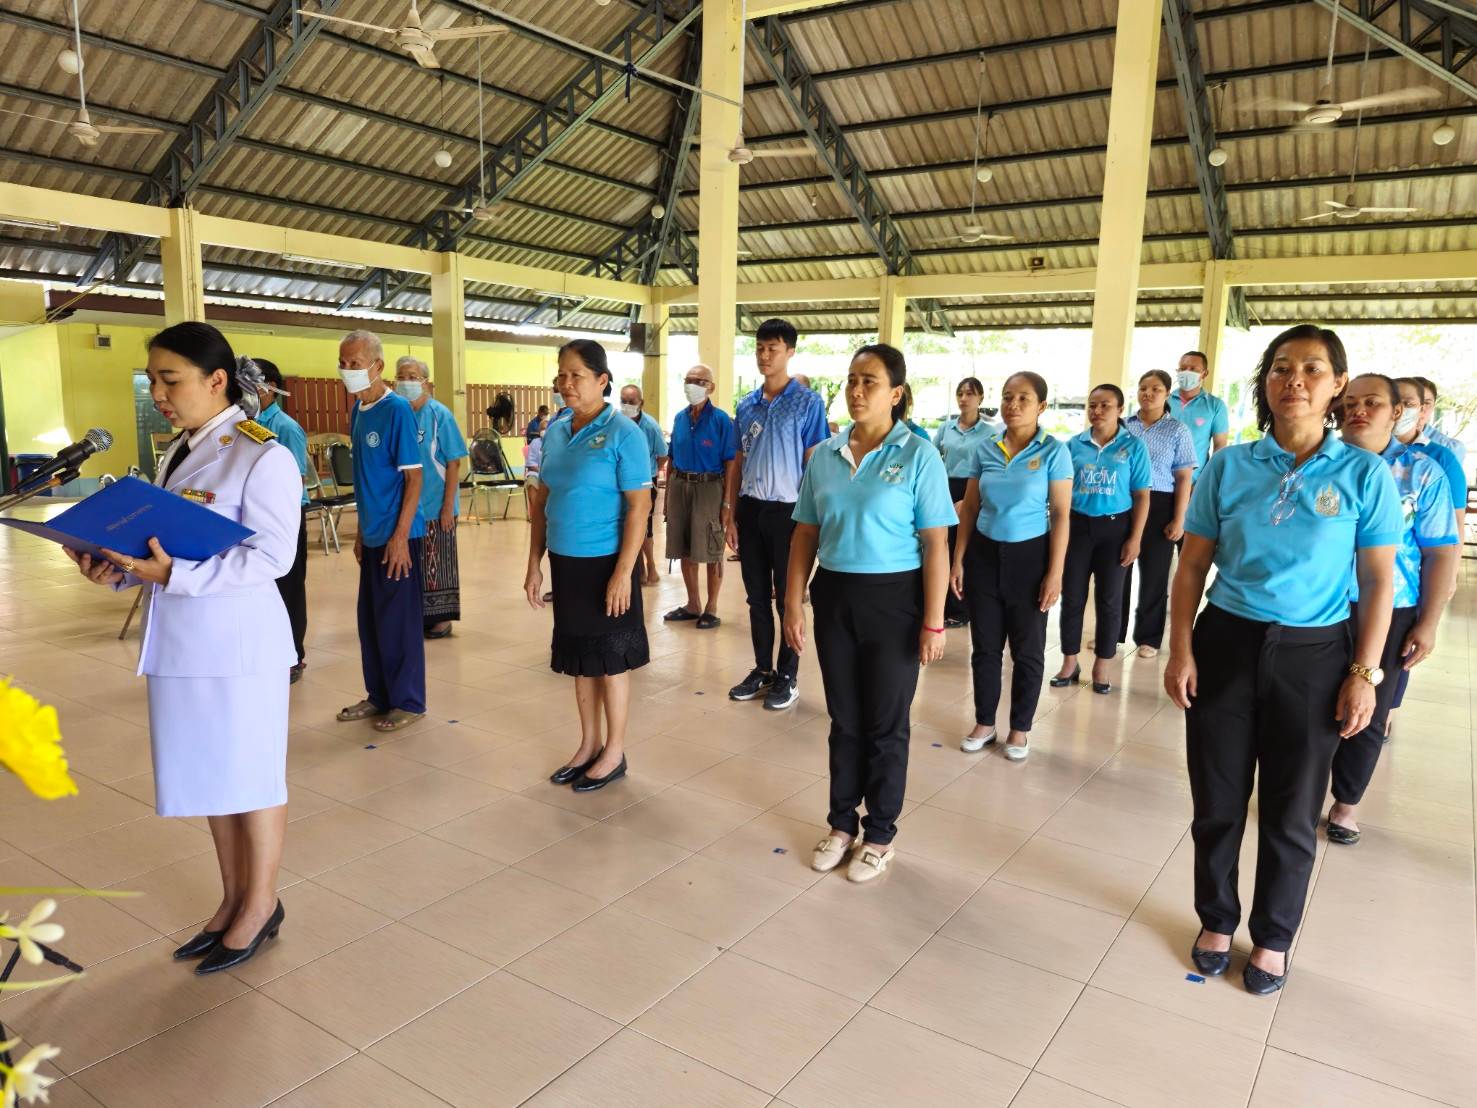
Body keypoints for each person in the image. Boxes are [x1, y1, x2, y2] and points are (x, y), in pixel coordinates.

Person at [1166, 323, 1400, 997]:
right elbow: (1190, 567)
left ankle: (1271, 937)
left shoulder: (1363, 474)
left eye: (1311, 369)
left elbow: (1380, 580)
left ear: (1334, 388)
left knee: (1293, 809)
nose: (1292, 378)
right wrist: (1180, 647)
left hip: (1315, 654)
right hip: (1226, 643)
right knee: (1216, 799)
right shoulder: (1227, 466)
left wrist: (1363, 672)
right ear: (1264, 384)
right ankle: (1215, 920)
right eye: (1279, 367)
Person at [66, 323, 298, 974]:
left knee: (250, 777)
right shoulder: (177, 453)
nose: (158, 393)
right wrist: (114, 569)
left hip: (238, 645)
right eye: (152, 381)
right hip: (183, 642)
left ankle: (262, 904)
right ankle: (232, 899)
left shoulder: (260, 454)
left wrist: (176, 576)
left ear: (215, 380)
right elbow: (160, 546)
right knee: (211, 776)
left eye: (170, 379)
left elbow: (274, 557)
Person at [785, 344, 954, 882]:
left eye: (870, 382)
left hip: (895, 599)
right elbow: (805, 533)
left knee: (885, 723)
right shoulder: (825, 455)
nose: (857, 391)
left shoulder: (918, 455)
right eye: (851, 380)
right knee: (845, 719)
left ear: (896, 394)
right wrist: (792, 600)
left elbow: (936, 543)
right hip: (835, 594)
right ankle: (841, 824)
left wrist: (934, 620)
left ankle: (880, 833)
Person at [1326, 374, 1458, 845]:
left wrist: (1428, 621)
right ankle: (1301, 792)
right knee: (1311, 702)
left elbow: (1441, 550)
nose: (1359, 410)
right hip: (1322, 603)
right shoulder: (1322, 463)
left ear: (1395, 412)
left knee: (1369, 706)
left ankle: (1346, 803)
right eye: (1351, 402)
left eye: (1373, 403)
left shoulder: (1421, 472)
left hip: (1392, 607)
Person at [525, 340, 652, 791]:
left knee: (610, 660)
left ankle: (613, 752)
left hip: (606, 564)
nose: (565, 383)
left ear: (602, 381)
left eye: (576, 375)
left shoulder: (624, 433)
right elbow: (543, 500)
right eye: (561, 375)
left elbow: (640, 506)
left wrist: (624, 572)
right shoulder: (555, 431)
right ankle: (588, 745)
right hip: (566, 561)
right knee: (580, 659)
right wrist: (534, 564)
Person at [951, 372, 1072, 762]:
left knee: (1028, 650)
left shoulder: (1054, 451)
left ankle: (1020, 728)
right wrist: (958, 560)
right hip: (984, 555)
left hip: (1030, 558)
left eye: (1023, 398)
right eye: (1007, 397)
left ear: (1041, 406)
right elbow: (970, 507)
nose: (1013, 405)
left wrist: (1054, 573)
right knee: (985, 646)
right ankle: (985, 722)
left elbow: (1061, 515)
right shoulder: (985, 449)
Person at [725, 318, 829, 711]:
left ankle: (788, 675)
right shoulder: (746, 405)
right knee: (755, 597)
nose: (765, 355)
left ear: (790, 352)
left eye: (773, 348)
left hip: (790, 512)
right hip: (752, 509)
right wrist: (731, 512)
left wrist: (811, 520)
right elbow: (739, 460)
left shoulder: (807, 402)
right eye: (760, 348)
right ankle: (762, 669)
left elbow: (814, 462)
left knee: (789, 598)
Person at [333, 330, 427, 734]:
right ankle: (378, 695)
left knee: (398, 621)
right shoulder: (358, 410)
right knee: (370, 621)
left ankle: (408, 700)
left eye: (355, 363)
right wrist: (358, 533)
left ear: (377, 366)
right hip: (372, 534)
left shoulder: (397, 411)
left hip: (398, 537)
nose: (347, 371)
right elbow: (365, 479)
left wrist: (400, 536)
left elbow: (415, 479)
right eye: (343, 363)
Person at [1051, 384, 1150, 695]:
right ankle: (1069, 662)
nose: (1097, 411)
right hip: (1078, 528)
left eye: (1105, 405)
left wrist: (1135, 538)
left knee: (1109, 600)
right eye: (1092, 405)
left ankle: (1102, 666)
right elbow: (1061, 491)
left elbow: (1142, 496)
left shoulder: (1134, 447)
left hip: (1115, 530)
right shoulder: (1072, 446)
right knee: (1073, 597)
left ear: (1120, 410)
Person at [1120, 370, 1197, 657]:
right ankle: (1113, 633)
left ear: (1167, 394)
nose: (1147, 394)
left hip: (1162, 503)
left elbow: (1184, 479)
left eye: (1155, 389)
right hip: (1124, 502)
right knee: (1118, 570)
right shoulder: (1125, 427)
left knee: (1154, 574)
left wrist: (1179, 518)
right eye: (1142, 388)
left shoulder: (1178, 430)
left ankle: (1148, 638)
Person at [393, 356, 469, 640]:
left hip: (437, 504)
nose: (407, 381)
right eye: (402, 375)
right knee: (413, 562)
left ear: (426, 382)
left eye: (413, 376)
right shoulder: (398, 413)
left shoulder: (439, 414)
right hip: (407, 506)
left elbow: (454, 462)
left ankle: (440, 620)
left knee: (438, 562)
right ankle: (416, 614)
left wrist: (448, 506)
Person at [250, 357, 311, 683]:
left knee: (289, 585)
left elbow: (296, 479)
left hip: (285, 516)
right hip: (255, 515)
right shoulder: (245, 424)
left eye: (254, 383)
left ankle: (295, 656)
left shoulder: (286, 428)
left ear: (270, 387)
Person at [663, 364, 738, 630]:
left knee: (710, 546)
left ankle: (712, 607)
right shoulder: (680, 418)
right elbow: (671, 458)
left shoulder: (721, 421)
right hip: (680, 484)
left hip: (710, 487)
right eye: (688, 379)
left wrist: (728, 503)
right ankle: (693, 603)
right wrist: (668, 496)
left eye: (698, 381)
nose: (691, 385)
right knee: (684, 546)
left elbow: (731, 463)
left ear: (711, 387)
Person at [934, 377, 994, 628]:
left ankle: (961, 608)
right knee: (941, 546)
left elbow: (991, 468)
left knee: (964, 549)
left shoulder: (990, 432)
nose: (963, 398)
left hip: (972, 489)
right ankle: (942, 604)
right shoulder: (946, 428)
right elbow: (933, 458)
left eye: (969, 394)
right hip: (945, 487)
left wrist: (971, 499)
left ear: (980, 398)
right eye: (960, 393)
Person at [620, 383, 668, 586]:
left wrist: (651, 473)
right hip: (623, 481)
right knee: (628, 525)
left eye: (631, 402)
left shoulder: (650, 426)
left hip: (645, 482)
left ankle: (651, 567)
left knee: (644, 527)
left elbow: (663, 454)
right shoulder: (618, 423)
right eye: (623, 401)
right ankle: (637, 569)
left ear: (641, 403)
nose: (627, 405)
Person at [1168, 350, 1230, 472]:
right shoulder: (1164, 401)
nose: (1187, 372)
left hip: (1194, 482)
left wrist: (1205, 480)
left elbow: (1220, 447)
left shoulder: (1215, 405)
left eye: (1193, 369)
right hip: (1160, 482)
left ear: (1204, 373)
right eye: (1183, 368)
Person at [1415, 376, 1466, 464]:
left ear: (1433, 406)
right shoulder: (1385, 440)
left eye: (1427, 403)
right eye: (1411, 402)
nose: (1421, 408)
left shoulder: (1450, 448)